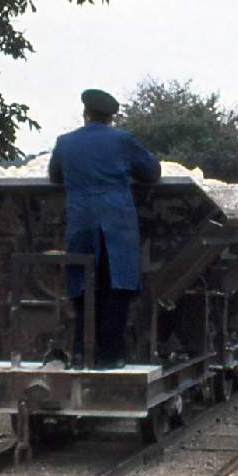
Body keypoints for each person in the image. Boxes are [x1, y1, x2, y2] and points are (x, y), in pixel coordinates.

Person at [48, 89, 161, 368]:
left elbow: (54, 176)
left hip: (81, 224)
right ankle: (112, 355)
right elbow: (152, 172)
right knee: (118, 288)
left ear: (85, 114)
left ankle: (79, 352)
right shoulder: (123, 140)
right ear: (111, 118)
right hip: (117, 225)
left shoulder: (65, 143)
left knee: (82, 288)